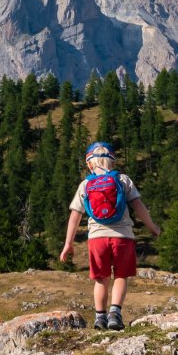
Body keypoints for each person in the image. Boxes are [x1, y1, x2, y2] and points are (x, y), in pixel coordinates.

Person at [58, 141, 161, 330]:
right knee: (121, 276)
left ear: (89, 163)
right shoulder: (123, 180)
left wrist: (68, 244)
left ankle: (100, 317)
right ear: (112, 162)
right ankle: (115, 314)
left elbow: (75, 215)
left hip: (97, 238)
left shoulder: (86, 184)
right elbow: (139, 207)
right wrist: (152, 227)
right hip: (123, 237)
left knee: (101, 278)